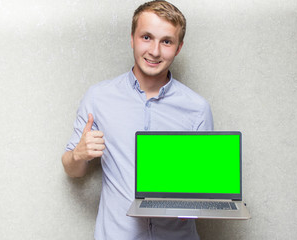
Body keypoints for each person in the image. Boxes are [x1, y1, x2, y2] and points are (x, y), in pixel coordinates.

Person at [62, 0, 213, 239]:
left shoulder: (197, 108)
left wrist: (196, 202)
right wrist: (78, 155)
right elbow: (73, 170)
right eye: (146, 37)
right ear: (132, 38)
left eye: (166, 41)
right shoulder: (98, 97)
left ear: (179, 47)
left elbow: (202, 187)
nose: (154, 51)